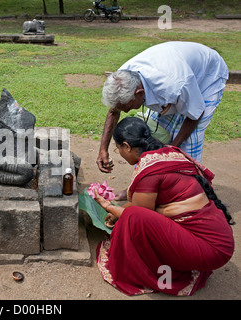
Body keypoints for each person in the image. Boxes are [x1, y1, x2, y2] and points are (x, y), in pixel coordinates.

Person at [93, 117, 234, 296]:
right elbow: (140, 201)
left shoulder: (149, 172)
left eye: (118, 148)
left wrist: (109, 206)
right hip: (221, 241)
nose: (119, 152)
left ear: (127, 146)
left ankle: (155, 269)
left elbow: (139, 214)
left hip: (209, 251)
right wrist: (115, 203)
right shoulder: (166, 153)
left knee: (131, 219)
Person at [97, 41, 228, 176]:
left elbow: (197, 112)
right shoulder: (122, 77)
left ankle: (190, 186)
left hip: (208, 75)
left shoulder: (175, 85)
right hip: (176, 69)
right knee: (152, 136)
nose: (125, 112)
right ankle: (146, 182)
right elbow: (114, 111)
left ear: (139, 93)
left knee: (188, 142)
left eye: (128, 107)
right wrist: (103, 149)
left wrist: (172, 148)